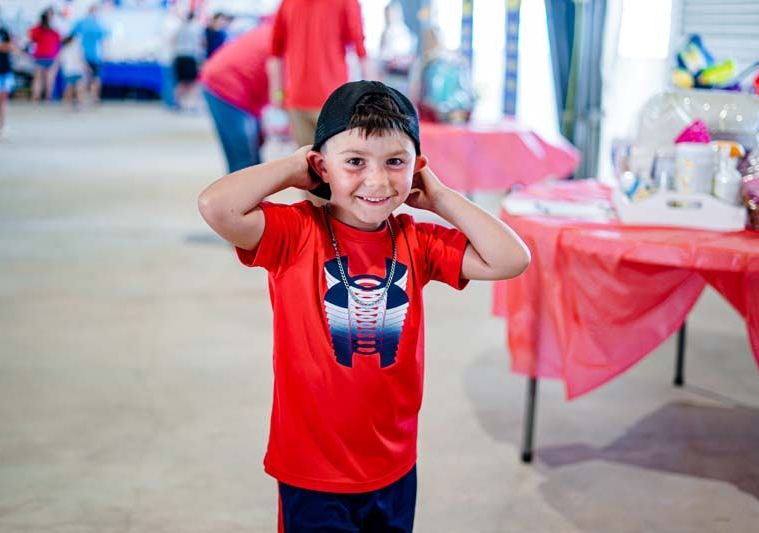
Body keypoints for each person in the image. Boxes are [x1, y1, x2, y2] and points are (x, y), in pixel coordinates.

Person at [197, 80, 530, 532]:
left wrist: (442, 198)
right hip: (313, 470)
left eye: (395, 162)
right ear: (322, 166)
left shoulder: (417, 240)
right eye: (354, 162)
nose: (376, 180)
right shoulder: (294, 234)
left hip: (392, 464)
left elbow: (511, 259)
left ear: (416, 169)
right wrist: (293, 168)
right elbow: (217, 207)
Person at [268, 0, 371, 147]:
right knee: (320, 163)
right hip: (307, 102)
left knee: (317, 163)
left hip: (326, 102)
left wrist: (278, 94)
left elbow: (275, 53)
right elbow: (360, 50)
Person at [199, 21, 272, 172]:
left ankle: (251, 192)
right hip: (224, 86)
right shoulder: (286, 39)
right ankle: (240, 194)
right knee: (243, 160)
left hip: (236, 85)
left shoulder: (275, 30)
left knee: (253, 159)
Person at [69, 3, 108, 103]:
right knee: (96, 77)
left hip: (82, 55)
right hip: (96, 56)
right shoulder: (98, 24)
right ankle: (94, 98)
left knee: (83, 77)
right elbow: (103, 42)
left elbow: (71, 36)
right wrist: (104, 55)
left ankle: (82, 99)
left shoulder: (81, 22)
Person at [172, 11, 203, 110]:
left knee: (181, 82)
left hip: (179, 56)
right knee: (193, 83)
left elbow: (173, 40)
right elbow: (199, 44)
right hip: (189, 57)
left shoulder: (179, 28)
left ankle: (177, 103)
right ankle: (194, 105)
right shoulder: (194, 29)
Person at [28, 9, 61, 102]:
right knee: (49, 79)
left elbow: (31, 39)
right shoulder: (54, 30)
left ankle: (35, 98)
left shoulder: (36, 29)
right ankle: (48, 98)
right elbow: (59, 43)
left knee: (38, 79)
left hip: (39, 56)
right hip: (51, 56)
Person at [59, 34, 86, 109]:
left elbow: (61, 61)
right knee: (79, 87)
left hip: (68, 71)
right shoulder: (77, 48)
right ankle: (80, 102)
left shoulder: (64, 49)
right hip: (77, 70)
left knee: (69, 87)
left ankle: (67, 102)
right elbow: (81, 59)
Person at [0, 21, 16, 139]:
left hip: (5, 71)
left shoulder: (4, 31)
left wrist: (5, 47)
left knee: (2, 101)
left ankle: (2, 127)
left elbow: (11, 46)